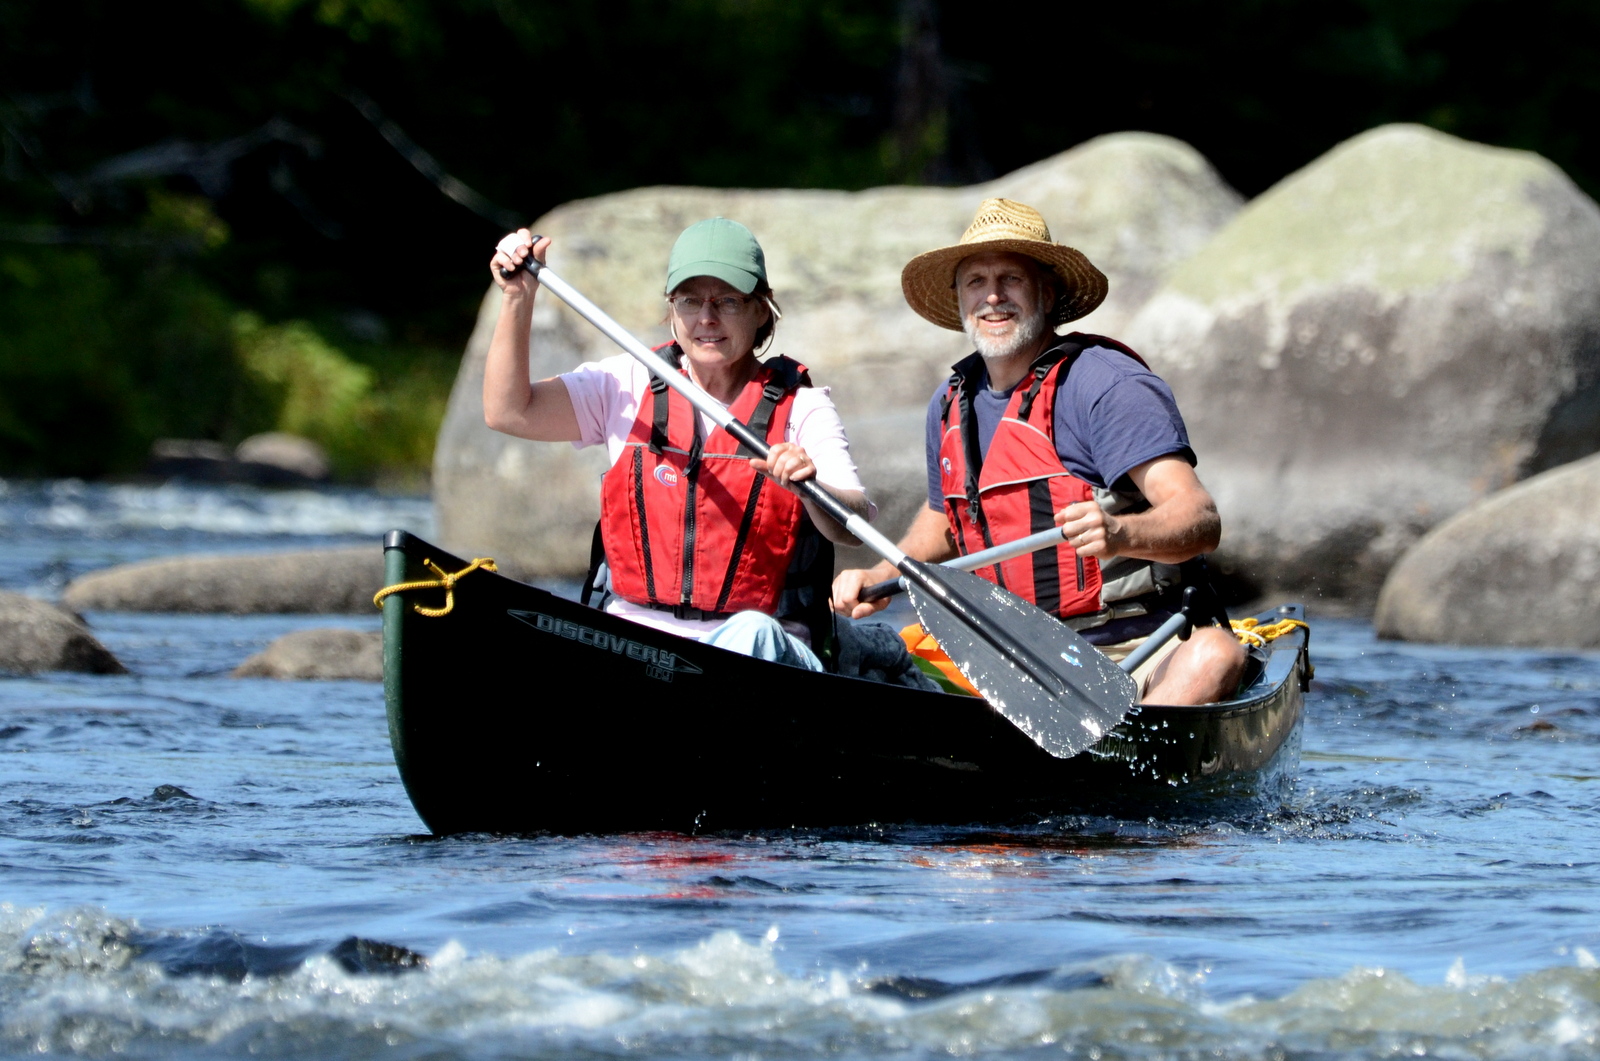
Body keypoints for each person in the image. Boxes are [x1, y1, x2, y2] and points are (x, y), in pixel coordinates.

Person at [832, 198, 1247, 704]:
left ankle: (1118, 755)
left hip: (1132, 647)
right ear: (960, 299)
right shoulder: (948, 403)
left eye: (1011, 279)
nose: (993, 297)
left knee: (1216, 655)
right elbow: (947, 519)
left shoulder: (1107, 385)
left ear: (1047, 294)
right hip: (1008, 656)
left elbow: (1200, 519)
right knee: (863, 658)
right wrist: (881, 574)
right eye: (976, 282)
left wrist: (1121, 533)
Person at [484, 217, 876, 674]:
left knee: (753, 632)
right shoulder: (625, 383)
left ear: (761, 310)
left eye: (727, 300)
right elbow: (508, 411)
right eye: (689, 300)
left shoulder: (803, 408)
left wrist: (811, 488)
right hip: (638, 644)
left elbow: (854, 523)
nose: (706, 318)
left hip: (763, 654)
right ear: (671, 309)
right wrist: (517, 297)